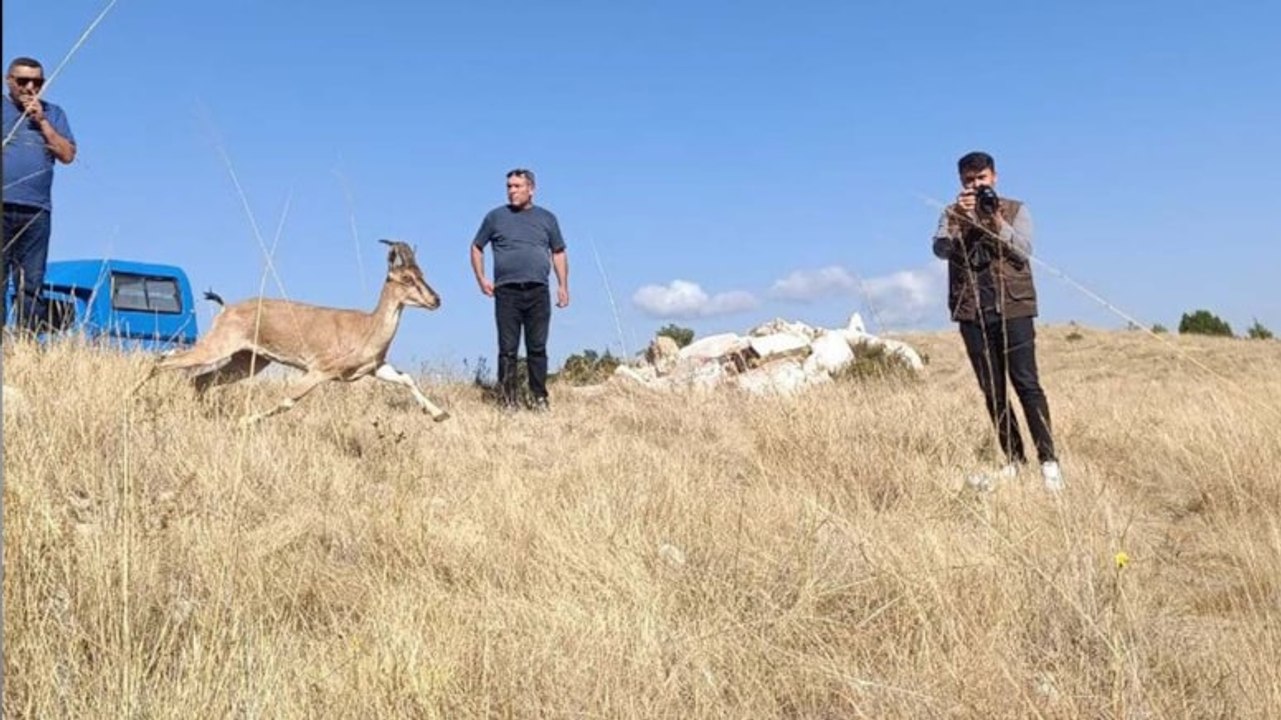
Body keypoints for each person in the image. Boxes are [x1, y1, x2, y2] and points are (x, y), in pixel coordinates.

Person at [931, 151, 1062, 491]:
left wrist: (994, 220)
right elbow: (941, 250)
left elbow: (1023, 250)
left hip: (1013, 308)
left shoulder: (1016, 209)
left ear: (994, 177)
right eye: (969, 181)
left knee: (1027, 385)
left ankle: (1049, 463)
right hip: (972, 312)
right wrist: (959, 219)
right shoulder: (951, 213)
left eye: (981, 179)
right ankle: (1014, 461)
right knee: (993, 391)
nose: (976, 185)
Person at [470, 168, 569, 411]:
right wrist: (481, 278)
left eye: (517, 186)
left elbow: (558, 252)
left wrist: (563, 286)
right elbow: (476, 246)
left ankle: (538, 398)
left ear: (531, 189)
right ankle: (507, 400)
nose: (512, 191)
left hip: (538, 290)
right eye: (509, 187)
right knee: (508, 349)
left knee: (537, 347)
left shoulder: (547, 218)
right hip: (506, 291)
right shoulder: (495, 217)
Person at [3, 56, 76, 336]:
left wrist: (42, 121)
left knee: (31, 281)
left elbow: (67, 154)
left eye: (37, 81)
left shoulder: (54, 113)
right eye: (22, 81)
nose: (30, 87)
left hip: (36, 209)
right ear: (9, 81)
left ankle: (27, 342)